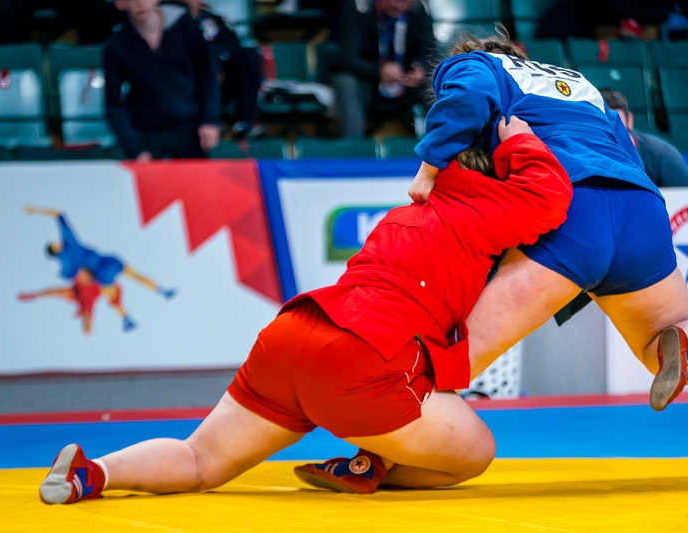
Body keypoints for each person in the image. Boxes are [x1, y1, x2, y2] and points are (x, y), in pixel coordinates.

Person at [38, 117, 572, 504]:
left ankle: (94, 472)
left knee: (201, 459)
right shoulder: (484, 210)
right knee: (475, 452)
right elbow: (552, 196)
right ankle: (368, 463)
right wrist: (521, 137)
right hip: (362, 359)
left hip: (294, 332)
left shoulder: (405, 212)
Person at [408, 33, 688, 413]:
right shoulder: (581, 85)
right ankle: (684, 343)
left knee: (451, 368)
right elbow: (629, 153)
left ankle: (384, 443)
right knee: (665, 339)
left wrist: (427, 171)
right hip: (641, 207)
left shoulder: (481, 64)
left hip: (569, 210)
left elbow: (467, 95)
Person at [105, 0, 220, 160]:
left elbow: (208, 76)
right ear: (121, 3)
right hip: (146, 132)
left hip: (189, 128)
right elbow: (114, 102)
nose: (140, 3)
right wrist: (135, 149)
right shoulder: (116, 45)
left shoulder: (186, 27)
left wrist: (209, 120)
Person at [23, 207, 175, 315]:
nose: (58, 242)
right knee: (120, 286)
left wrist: (35, 210)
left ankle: (158, 292)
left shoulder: (67, 251)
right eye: (55, 244)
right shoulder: (67, 253)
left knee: (128, 280)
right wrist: (35, 210)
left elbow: (59, 214)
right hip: (102, 268)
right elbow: (58, 214)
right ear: (55, 249)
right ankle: (130, 313)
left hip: (105, 262)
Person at [330, 0, 436, 137]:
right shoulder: (358, 7)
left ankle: (441, 146)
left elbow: (430, 53)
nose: (401, 7)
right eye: (397, 1)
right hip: (367, 80)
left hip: (406, 82)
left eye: (407, 3)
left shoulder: (419, 9)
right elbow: (346, 59)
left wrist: (421, 70)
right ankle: (352, 146)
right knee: (345, 82)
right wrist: (379, 71)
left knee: (434, 82)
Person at [171, 0, 265, 140]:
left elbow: (232, 45)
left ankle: (243, 122)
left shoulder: (212, 20)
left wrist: (218, 63)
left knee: (249, 56)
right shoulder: (171, 22)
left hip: (222, 83)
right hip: (189, 86)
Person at [599, 88, 688, 188]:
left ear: (629, 120)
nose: (608, 130)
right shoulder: (589, 155)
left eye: (615, 122)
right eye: (599, 122)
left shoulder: (661, 154)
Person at [17, 268, 135, 334]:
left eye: (83, 274)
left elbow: (116, 294)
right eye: (80, 274)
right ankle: (33, 295)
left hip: (86, 302)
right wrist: (34, 295)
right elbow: (53, 291)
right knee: (56, 291)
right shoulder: (78, 280)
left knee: (87, 329)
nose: (80, 275)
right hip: (76, 294)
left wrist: (125, 317)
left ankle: (81, 313)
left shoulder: (99, 285)